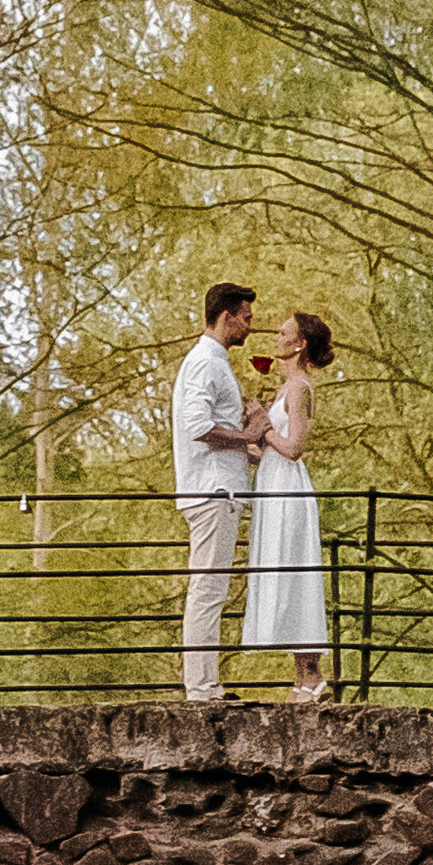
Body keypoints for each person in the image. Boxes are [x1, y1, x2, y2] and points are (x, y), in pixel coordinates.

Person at [171, 281, 263, 705]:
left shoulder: (211, 361)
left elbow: (211, 427)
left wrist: (247, 447)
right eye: (246, 317)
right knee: (208, 590)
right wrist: (247, 434)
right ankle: (202, 690)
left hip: (215, 488)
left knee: (211, 589)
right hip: (212, 493)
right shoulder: (207, 362)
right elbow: (200, 428)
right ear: (227, 317)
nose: (250, 325)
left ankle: (206, 686)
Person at [245, 312, 332, 705]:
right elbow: (273, 451)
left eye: (283, 332)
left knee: (296, 572)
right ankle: (300, 677)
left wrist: (264, 427)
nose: (275, 336)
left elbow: (294, 448)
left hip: (289, 490)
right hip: (272, 484)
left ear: (298, 345)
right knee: (281, 572)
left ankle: (312, 676)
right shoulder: (284, 389)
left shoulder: (299, 388)